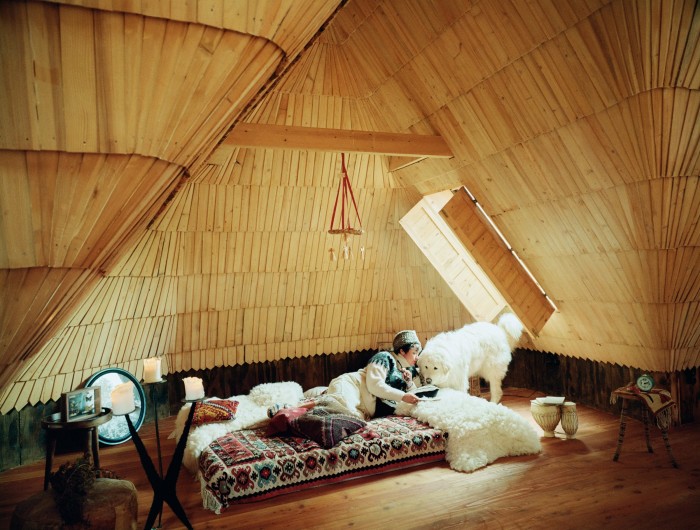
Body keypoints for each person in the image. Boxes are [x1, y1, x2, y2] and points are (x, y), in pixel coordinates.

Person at [325, 330, 424, 419]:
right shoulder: (384, 357)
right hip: (351, 386)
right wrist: (403, 396)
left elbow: (413, 399)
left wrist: (410, 383)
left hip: (365, 410)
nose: (417, 357)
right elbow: (374, 385)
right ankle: (317, 404)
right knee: (340, 411)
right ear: (402, 351)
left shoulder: (408, 371)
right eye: (414, 353)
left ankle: (318, 404)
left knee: (353, 420)